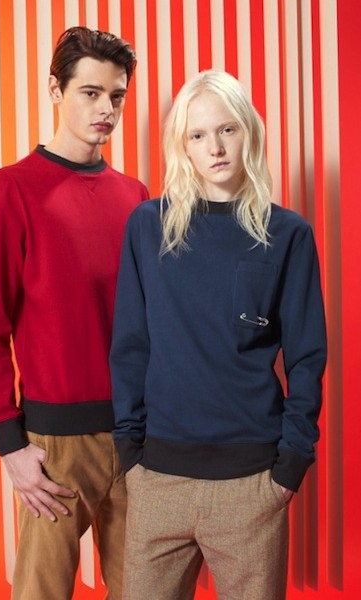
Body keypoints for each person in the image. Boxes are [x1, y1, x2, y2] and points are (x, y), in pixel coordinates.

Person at [110, 70, 327, 600]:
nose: (216, 147)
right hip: (158, 478)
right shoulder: (147, 227)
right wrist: (130, 454)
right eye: (199, 134)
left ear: (248, 131)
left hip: (252, 483)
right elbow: (131, 346)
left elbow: (307, 356)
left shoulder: (288, 234)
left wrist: (289, 467)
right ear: (182, 145)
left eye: (227, 129)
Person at [0, 26, 148, 600]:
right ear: (55, 90)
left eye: (116, 96)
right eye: (90, 93)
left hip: (138, 436)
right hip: (54, 445)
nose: (106, 109)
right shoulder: (12, 189)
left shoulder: (136, 197)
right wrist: (10, 445)